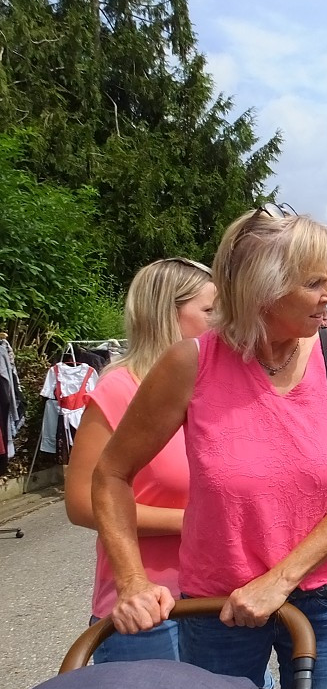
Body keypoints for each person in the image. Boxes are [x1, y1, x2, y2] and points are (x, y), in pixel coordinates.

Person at [92, 205, 327, 689]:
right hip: (218, 602)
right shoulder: (192, 362)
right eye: (315, 282)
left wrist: (280, 579)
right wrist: (130, 582)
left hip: (325, 596)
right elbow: (110, 475)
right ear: (264, 289)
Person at [66, 258, 215, 663]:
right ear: (169, 313)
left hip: (218, 592)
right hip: (146, 606)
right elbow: (82, 503)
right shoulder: (119, 389)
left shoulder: (214, 391)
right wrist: (189, 522)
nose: (220, 322)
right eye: (209, 311)